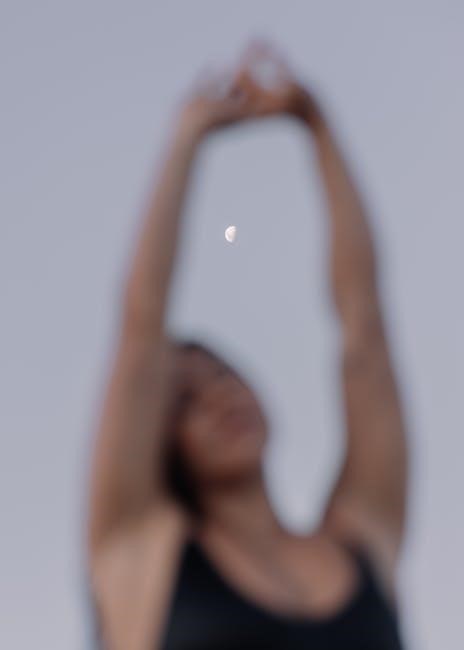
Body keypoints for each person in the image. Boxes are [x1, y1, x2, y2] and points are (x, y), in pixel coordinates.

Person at [85, 39, 409, 650]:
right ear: (158, 438)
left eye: (225, 376)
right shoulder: (141, 550)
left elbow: (365, 327)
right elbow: (141, 326)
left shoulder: (363, 535)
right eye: (185, 400)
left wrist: (318, 127)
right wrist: (188, 136)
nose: (219, 398)